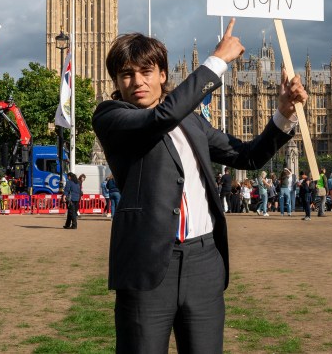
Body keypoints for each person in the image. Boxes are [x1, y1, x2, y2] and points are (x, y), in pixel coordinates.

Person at [92, 20, 305, 354]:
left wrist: (283, 113)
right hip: (148, 265)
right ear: (117, 82)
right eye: (126, 75)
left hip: (204, 261)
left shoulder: (191, 119)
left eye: (146, 72)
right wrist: (217, 60)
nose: (136, 82)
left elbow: (246, 156)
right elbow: (160, 118)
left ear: (163, 75)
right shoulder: (111, 116)